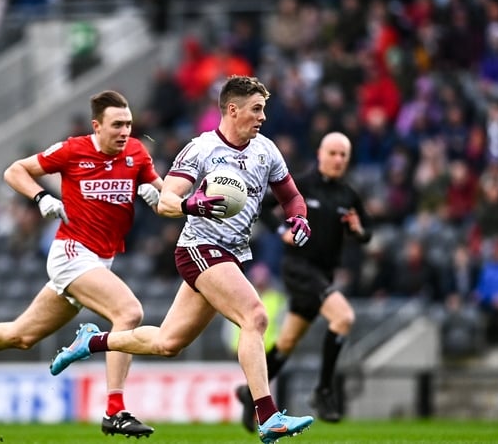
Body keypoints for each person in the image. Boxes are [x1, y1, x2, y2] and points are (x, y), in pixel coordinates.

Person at [50, 76, 315, 444]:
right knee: (254, 316)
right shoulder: (201, 149)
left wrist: (298, 216)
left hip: (231, 254)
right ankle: (267, 416)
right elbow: (166, 200)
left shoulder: (266, 150)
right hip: (198, 249)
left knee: (167, 343)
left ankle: (93, 341)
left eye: (264, 109)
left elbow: (291, 196)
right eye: (256, 109)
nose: (262, 117)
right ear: (232, 110)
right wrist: (194, 203)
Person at [0, 90, 163, 438]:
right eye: (117, 125)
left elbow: (167, 200)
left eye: (129, 124)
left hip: (99, 261)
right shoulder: (74, 150)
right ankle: (114, 410)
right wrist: (42, 196)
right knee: (128, 313)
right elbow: (15, 171)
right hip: (72, 254)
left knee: (21, 335)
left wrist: (160, 196)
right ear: (96, 126)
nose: (125, 131)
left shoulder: (136, 152)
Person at [235, 131, 372, 431]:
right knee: (344, 317)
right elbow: (262, 206)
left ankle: (250, 394)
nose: (337, 159)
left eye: (343, 155)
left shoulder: (348, 195)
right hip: (298, 269)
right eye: (332, 153)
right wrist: (280, 232)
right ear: (320, 153)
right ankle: (324, 390)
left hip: (323, 274)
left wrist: (359, 230)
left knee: (286, 343)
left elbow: (366, 234)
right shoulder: (302, 185)